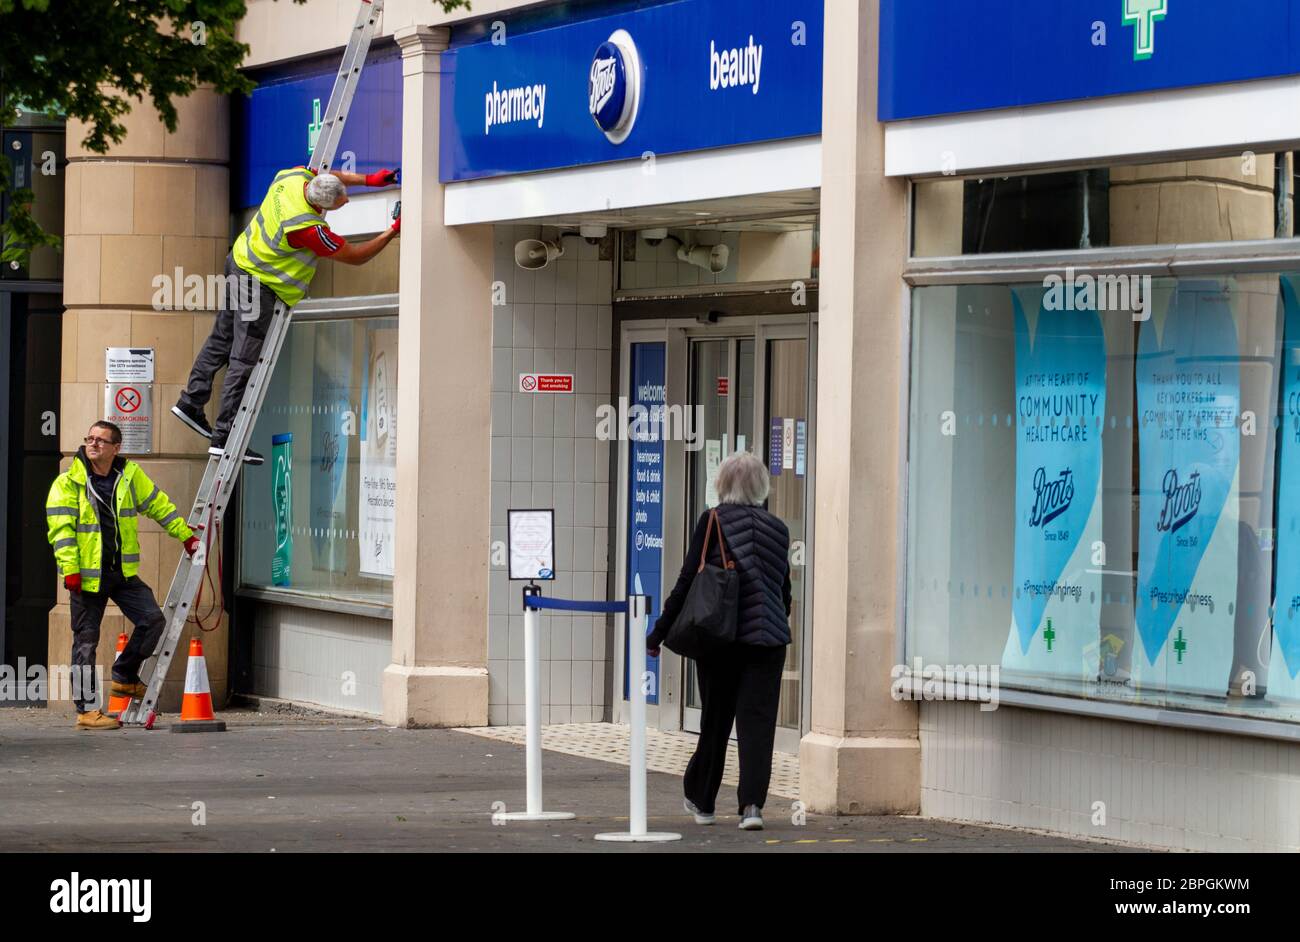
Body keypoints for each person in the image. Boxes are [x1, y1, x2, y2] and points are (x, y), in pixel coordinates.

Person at [171, 166, 401, 464]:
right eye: (339, 204)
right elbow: (356, 256)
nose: (344, 205)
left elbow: (327, 174)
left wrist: (369, 181)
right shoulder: (307, 228)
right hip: (258, 285)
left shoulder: (291, 177)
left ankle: (192, 400)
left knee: (222, 338)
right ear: (321, 208)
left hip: (239, 261)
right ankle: (225, 437)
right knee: (244, 360)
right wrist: (394, 230)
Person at [647, 451, 792, 830]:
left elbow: (687, 581)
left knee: (715, 719)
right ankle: (752, 808)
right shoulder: (778, 528)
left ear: (722, 484)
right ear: (761, 486)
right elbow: (784, 590)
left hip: (721, 638)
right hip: (769, 640)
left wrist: (659, 631)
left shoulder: (711, 521)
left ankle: (703, 800)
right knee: (757, 726)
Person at [45, 421, 200, 729]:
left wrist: (185, 535)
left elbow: (158, 505)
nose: (93, 444)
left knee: (153, 619)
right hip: (87, 577)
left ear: (116, 448)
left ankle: (124, 676)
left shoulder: (128, 476)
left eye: (101, 441)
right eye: (89, 439)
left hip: (121, 573)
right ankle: (87, 711)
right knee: (86, 643)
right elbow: (61, 531)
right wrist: (70, 568)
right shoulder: (68, 482)